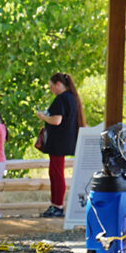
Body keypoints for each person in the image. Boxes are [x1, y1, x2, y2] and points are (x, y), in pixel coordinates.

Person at [36, 72, 86, 218]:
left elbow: (57, 120)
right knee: (57, 173)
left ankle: (57, 205)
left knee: (56, 174)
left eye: (52, 87)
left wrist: (43, 117)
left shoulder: (61, 99)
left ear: (58, 84)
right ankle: (56, 204)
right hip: (66, 141)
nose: (52, 90)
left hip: (58, 142)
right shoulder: (72, 98)